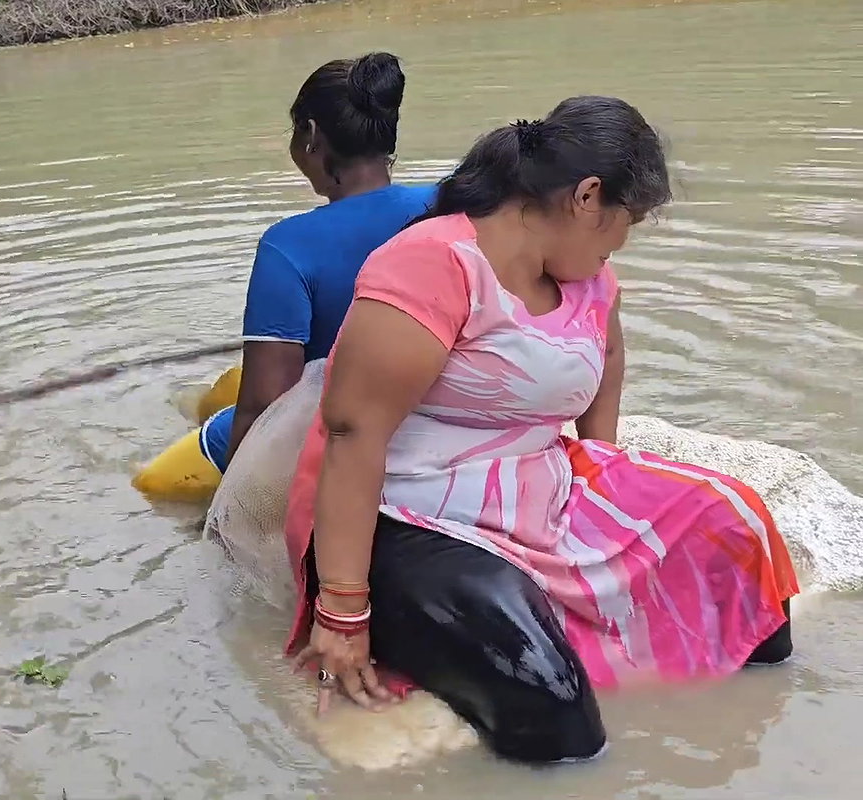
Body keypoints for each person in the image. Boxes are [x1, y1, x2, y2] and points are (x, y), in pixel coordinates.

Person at [281, 96, 800, 764]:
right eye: (627, 222)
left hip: (540, 485)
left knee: (737, 531)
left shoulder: (587, 277)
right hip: (411, 511)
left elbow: (607, 357)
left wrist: (603, 473)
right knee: (550, 702)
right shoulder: (431, 264)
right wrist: (343, 610)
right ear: (588, 196)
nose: (622, 241)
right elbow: (353, 432)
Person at [200, 51, 436, 473]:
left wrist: (236, 515)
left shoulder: (288, 245)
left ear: (310, 135)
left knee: (208, 423)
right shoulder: (450, 203)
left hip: (339, 437)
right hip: (429, 415)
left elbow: (265, 407)